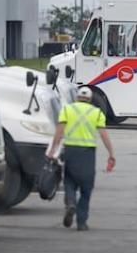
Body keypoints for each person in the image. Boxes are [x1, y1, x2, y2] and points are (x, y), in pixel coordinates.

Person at [46, 87, 115, 231]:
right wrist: (111, 153)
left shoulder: (67, 110)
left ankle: (71, 202)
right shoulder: (96, 113)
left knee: (70, 181)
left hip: (70, 151)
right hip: (87, 154)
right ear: (90, 100)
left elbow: (59, 131)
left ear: (77, 98)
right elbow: (103, 134)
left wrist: (53, 149)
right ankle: (82, 222)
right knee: (86, 188)